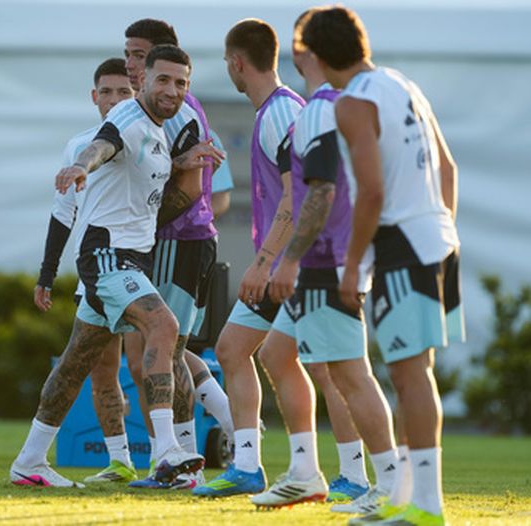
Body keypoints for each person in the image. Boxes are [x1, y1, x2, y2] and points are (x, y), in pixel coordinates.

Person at [10, 44, 211, 489]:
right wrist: (82, 164)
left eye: (181, 83)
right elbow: (104, 145)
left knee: (73, 364)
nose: (172, 90)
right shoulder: (126, 119)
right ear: (144, 81)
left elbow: (149, 208)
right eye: (163, 79)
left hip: (124, 257)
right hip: (107, 257)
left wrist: (181, 166)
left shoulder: (158, 135)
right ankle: (165, 453)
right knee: (164, 327)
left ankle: (29, 460)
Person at [302, 7, 464, 526]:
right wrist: (439, 226)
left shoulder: (352, 104)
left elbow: (370, 191)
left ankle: (426, 507)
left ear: (320, 57)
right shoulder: (402, 82)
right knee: (416, 372)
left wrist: (353, 267)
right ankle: (407, 498)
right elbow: (448, 168)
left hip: (402, 246)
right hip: (438, 236)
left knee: (409, 374)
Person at [250, 8, 399, 510]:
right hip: (334, 258)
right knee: (275, 353)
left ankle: (387, 484)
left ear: (304, 53)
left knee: (350, 374)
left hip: (323, 261)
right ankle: (305, 471)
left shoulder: (318, 109)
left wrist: (289, 260)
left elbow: (321, 193)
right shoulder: (349, 104)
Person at [193, 18, 305, 498]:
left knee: (325, 366)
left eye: (227, 63)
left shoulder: (280, 112)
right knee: (236, 349)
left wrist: (266, 263)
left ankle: (353, 473)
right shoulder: (278, 111)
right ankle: (250, 466)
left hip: (292, 263)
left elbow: (295, 194)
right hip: (286, 260)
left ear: (238, 63)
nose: (229, 71)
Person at [119, 19, 233, 490]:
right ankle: (196, 450)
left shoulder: (180, 111)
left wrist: (138, 224)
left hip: (176, 241)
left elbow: (193, 191)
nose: (131, 63)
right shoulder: (146, 112)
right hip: (177, 242)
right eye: (127, 53)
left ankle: (183, 460)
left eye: (140, 55)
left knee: (162, 350)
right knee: (168, 350)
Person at [33, 57, 139, 484]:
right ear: (94, 97)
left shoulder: (148, 134)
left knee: (166, 356)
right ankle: (122, 462)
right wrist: (46, 275)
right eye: (107, 92)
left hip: (140, 266)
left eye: (124, 92)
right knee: (100, 368)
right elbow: (63, 215)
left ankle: (190, 449)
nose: (114, 100)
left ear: (136, 94)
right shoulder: (79, 146)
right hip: (98, 271)